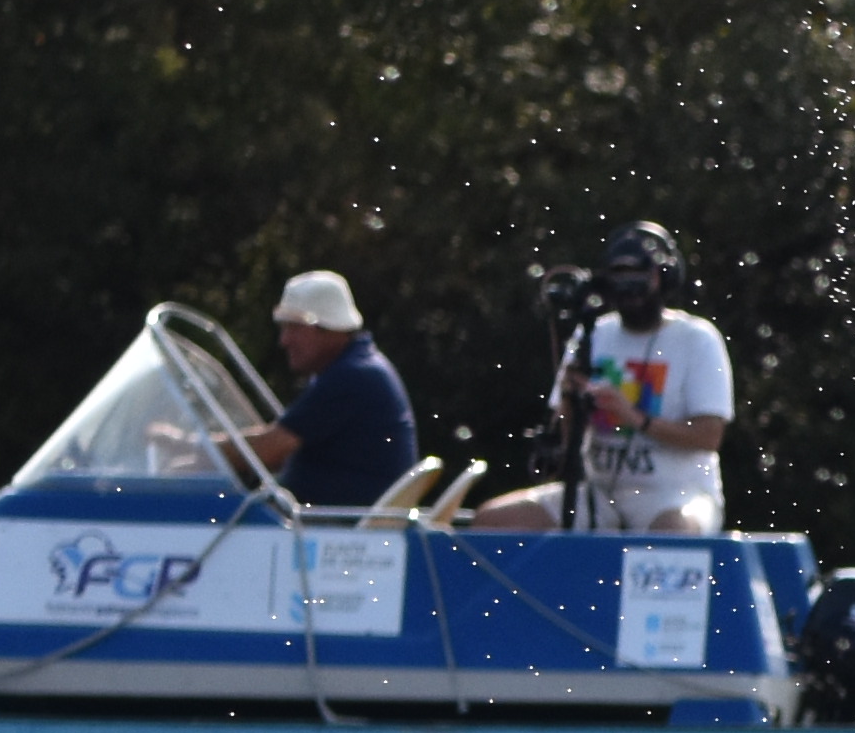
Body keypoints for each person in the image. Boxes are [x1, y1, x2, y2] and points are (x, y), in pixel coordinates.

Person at [469, 222, 730, 534]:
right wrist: (568, 401)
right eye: (619, 276)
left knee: (671, 531)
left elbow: (709, 436)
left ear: (664, 276)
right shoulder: (594, 334)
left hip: (673, 494)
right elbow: (565, 443)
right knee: (491, 521)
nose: (629, 288)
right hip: (600, 494)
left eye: (639, 276)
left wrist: (633, 417)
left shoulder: (697, 339)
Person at [240, 272, 421, 512]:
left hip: (337, 534)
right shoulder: (352, 368)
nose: (284, 341)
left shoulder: (352, 376)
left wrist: (198, 447)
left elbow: (269, 450)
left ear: (329, 329)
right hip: (329, 529)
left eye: (294, 328)